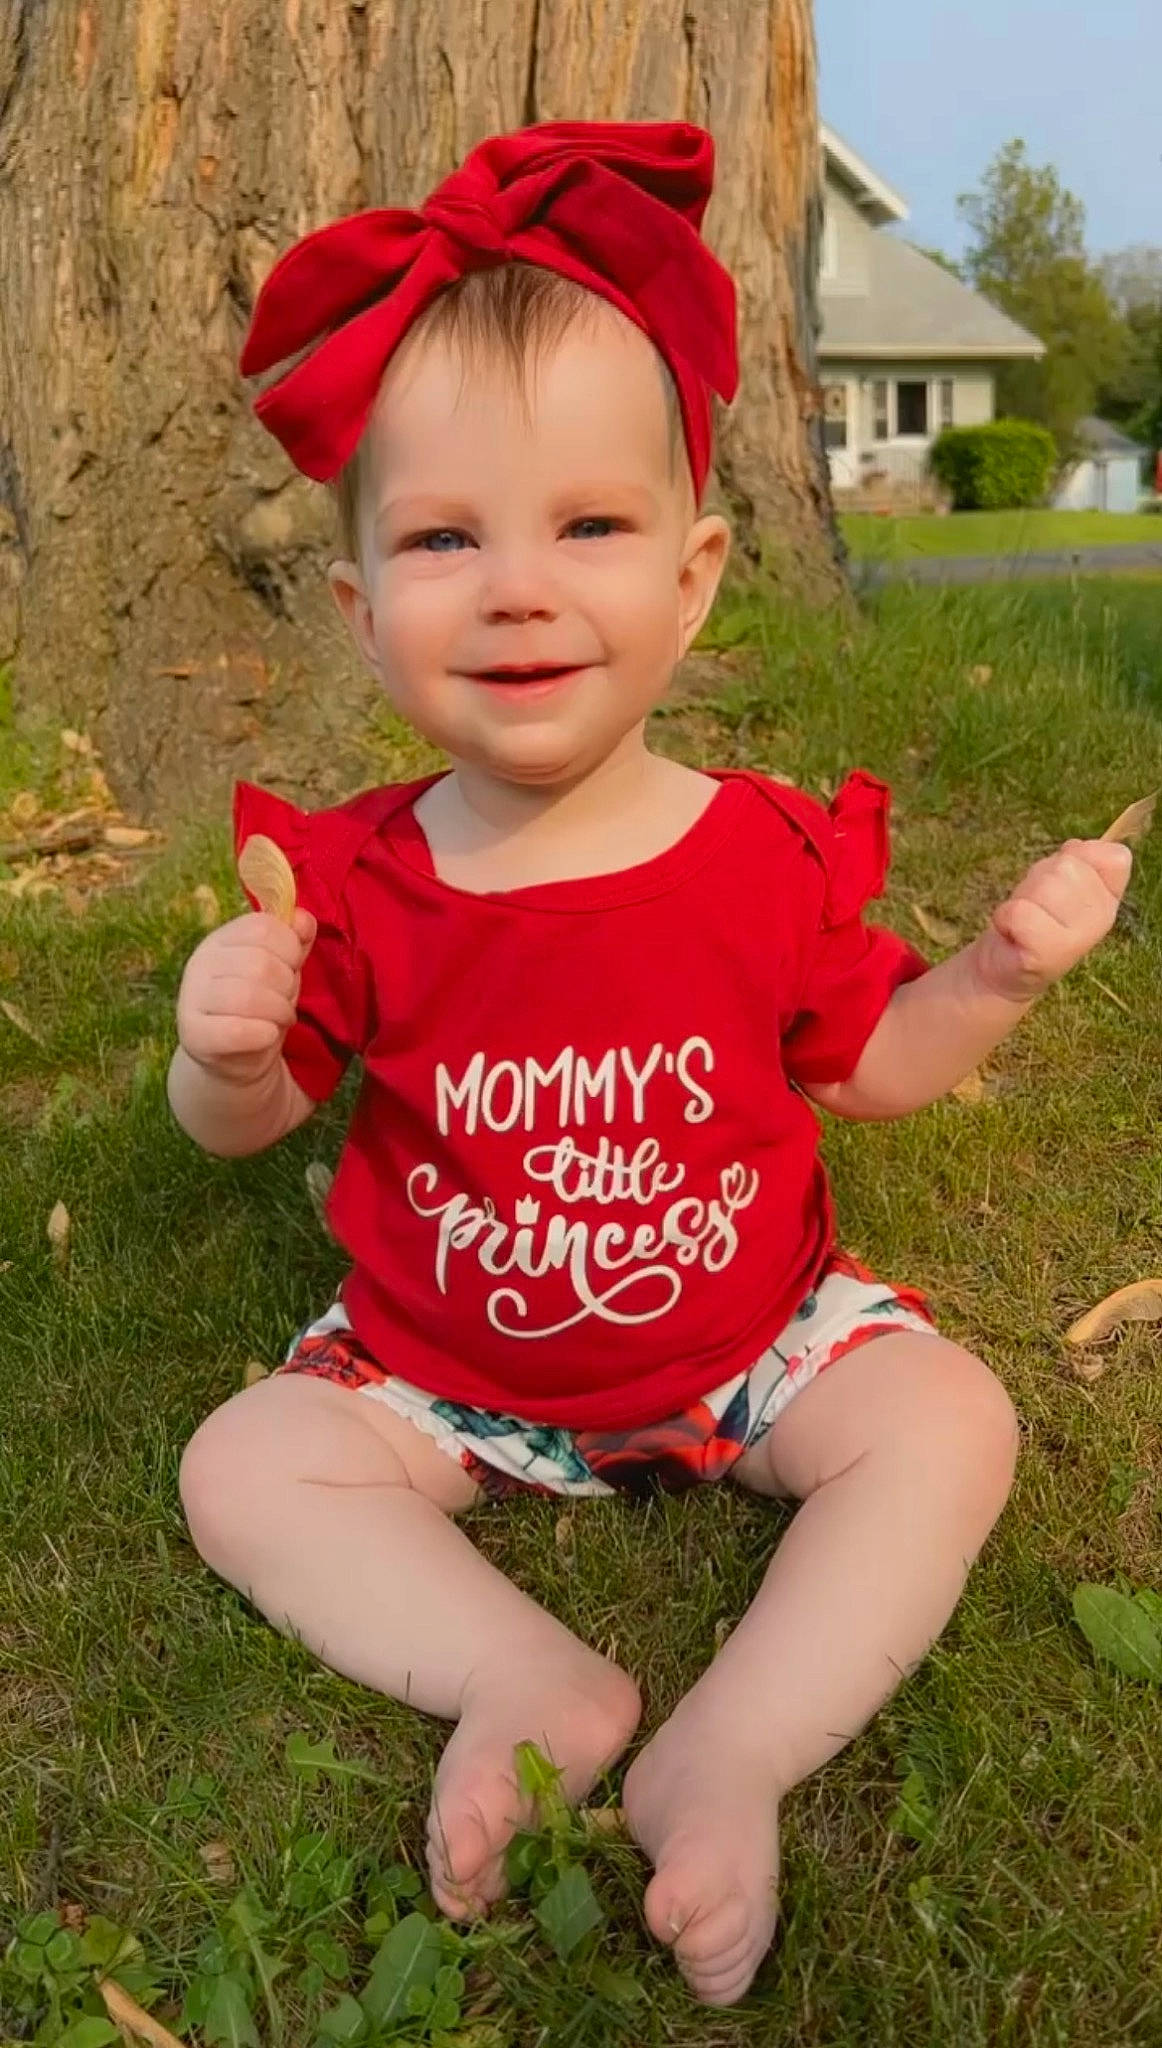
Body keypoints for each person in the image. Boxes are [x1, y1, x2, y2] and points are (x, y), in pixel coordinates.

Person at [168, 122, 1131, 2008]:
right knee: (247, 1463)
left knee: (949, 1422)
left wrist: (995, 975)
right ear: (364, 614)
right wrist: (222, 1048)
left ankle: (736, 1749)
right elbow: (251, 1122)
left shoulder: (759, 854)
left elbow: (866, 1066)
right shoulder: (364, 876)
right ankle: (523, 1675)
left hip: (747, 1344)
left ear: (693, 578)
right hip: (439, 1373)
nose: (518, 591)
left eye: (586, 527)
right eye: (446, 539)